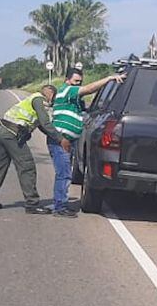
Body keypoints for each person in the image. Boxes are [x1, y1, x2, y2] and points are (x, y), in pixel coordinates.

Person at [47, 68, 125, 217]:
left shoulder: (75, 100)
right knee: (64, 174)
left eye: (80, 81)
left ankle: (60, 203)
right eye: (76, 81)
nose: (78, 84)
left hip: (68, 140)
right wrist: (109, 78)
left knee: (65, 173)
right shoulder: (67, 91)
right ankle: (60, 206)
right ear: (67, 80)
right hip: (60, 140)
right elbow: (89, 89)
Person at [0, 85, 70, 214]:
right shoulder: (40, 100)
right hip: (12, 133)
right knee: (27, 166)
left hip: (2, 129)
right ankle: (32, 203)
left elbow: (41, 125)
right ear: (51, 94)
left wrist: (53, 136)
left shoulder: (32, 98)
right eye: (54, 98)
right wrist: (61, 139)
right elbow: (45, 123)